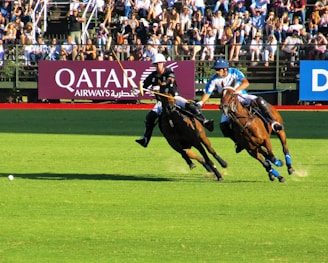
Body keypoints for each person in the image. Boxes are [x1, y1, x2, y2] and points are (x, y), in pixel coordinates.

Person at [196, 58, 283, 153]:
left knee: (260, 101)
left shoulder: (234, 72)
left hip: (241, 96)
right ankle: (239, 142)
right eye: (216, 70)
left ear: (225, 69)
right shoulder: (214, 79)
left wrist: (235, 91)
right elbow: (207, 93)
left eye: (218, 69)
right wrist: (200, 103)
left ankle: (273, 122)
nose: (216, 71)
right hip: (228, 103)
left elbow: (246, 83)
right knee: (223, 126)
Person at [135, 53, 214, 148]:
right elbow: (143, 88)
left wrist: (163, 84)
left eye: (160, 63)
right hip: (161, 102)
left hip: (174, 98)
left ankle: (205, 121)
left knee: (191, 106)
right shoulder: (152, 76)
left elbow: (170, 79)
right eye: (156, 64)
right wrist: (137, 89)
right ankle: (146, 139)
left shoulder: (169, 71)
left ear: (163, 63)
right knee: (150, 116)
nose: (158, 66)